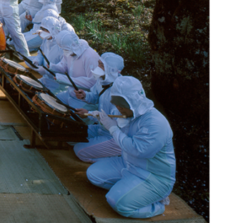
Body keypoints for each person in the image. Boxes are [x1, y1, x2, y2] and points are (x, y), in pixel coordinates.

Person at [87, 76, 176, 219]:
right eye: (116, 102)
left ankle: (157, 204)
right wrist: (95, 117)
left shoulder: (155, 122)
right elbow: (112, 121)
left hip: (153, 176)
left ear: (134, 101)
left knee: (118, 202)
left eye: (122, 104)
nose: (118, 107)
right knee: (93, 174)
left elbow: (138, 150)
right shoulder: (125, 112)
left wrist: (113, 129)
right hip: (127, 164)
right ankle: (131, 188)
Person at [73, 53, 125, 162]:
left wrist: (89, 114)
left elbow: (115, 120)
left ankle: (117, 156)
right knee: (72, 137)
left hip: (114, 135)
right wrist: (85, 95)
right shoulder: (103, 80)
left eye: (101, 65)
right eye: (99, 63)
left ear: (110, 68)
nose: (98, 67)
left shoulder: (120, 90)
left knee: (79, 150)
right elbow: (95, 96)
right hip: (101, 128)